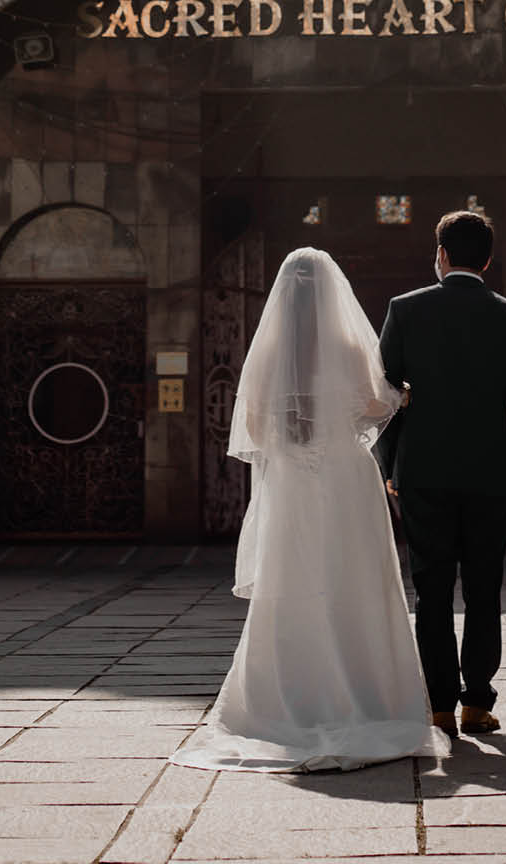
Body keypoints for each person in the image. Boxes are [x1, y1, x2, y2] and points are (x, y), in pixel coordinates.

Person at [171, 248, 449, 772]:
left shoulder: (269, 354)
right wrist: (400, 395)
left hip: (294, 480)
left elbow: (252, 430)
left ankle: (285, 702)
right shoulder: (348, 345)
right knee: (356, 581)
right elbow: (374, 406)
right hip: (347, 478)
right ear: (331, 294)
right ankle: (369, 699)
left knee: (293, 581)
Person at [379, 210, 506, 737]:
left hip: (423, 474)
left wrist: (391, 465)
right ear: (489, 259)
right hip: (488, 476)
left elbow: (382, 397)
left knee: (431, 591)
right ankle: (478, 701)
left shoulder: (405, 311)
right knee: (483, 587)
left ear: (442, 255)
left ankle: (438, 705)